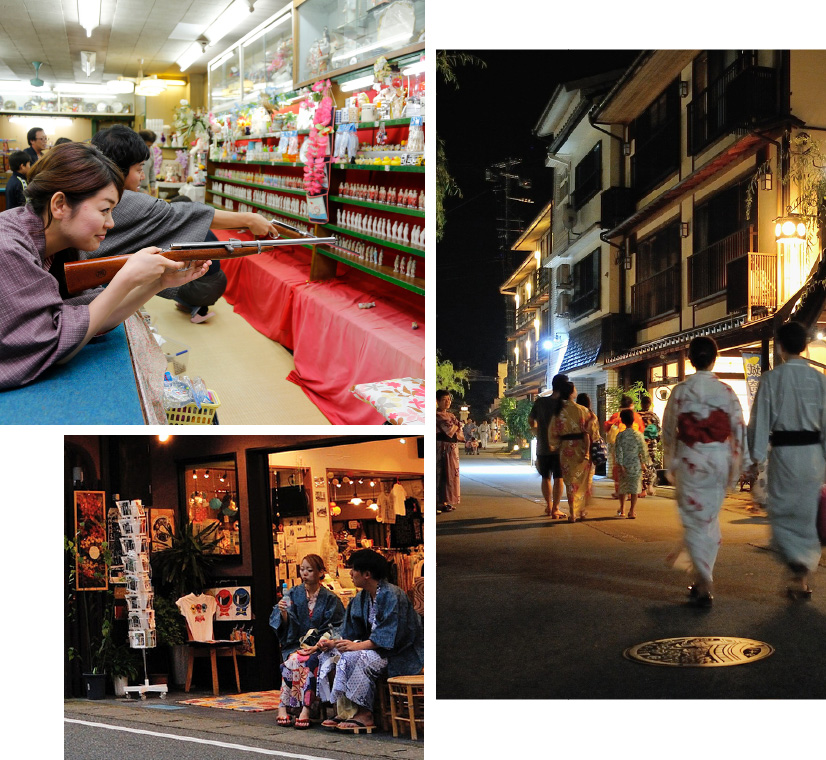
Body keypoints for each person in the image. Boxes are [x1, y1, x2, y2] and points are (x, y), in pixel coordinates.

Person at [0, 141, 210, 390]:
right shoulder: (8, 247)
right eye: (104, 210)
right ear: (59, 205)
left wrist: (158, 283)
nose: (110, 223)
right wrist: (126, 278)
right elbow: (56, 345)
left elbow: (88, 321)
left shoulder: (60, 246)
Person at [86, 125, 239, 323]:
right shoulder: (133, 202)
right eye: (139, 169)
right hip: (205, 285)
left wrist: (157, 283)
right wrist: (250, 220)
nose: (142, 175)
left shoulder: (114, 198)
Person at [663, 336, 746, 607]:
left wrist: (670, 460)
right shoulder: (726, 392)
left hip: (690, 460)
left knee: (693, 520)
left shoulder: (680, 391)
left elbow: (668, 431)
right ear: (715, 358)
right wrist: (736, 468)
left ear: (690, 360)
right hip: (719, 461)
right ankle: (702, 578)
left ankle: (704, 579)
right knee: (708, 519)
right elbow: (738, 429)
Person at [747, 321, 826, 600]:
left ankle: (794, 563)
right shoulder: (819, 379)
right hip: (813, 457)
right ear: (804, 345)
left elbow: (759, 422)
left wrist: (754, 458)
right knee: (806, 516)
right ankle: (801, 577)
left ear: (780, 347)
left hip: (784, 455)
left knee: (781, 511)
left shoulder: (771, 379)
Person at [317, 549, 424, 733]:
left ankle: (365, 713)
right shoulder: (361, 597)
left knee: (356, 657)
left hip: (402, 653)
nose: (350, 574)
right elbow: (350, 632)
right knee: (334, 655)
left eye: (353, 570)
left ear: (367, 574)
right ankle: (346, 711)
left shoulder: (393, 595)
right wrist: (334, 643)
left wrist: (356, 646)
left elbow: (389, 636)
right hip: (375, 650)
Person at [269, 554, 345, 729]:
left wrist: (321, 644)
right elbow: (284, 624)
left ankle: (305, 708)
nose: (305, 573)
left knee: (308, 661)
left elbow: (337, 626)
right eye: (302, 569)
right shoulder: (293, 593)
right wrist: (283, 613)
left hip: (320, 646)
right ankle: (283, 707)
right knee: (292, 660)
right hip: (297, 643)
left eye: (310, 570)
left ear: (320, 572)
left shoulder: (330, 598)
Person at [547, 381, 598, 522]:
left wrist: (555, 445)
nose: (576, 391)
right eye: (574, 389)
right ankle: (580, 511)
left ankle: (572, 513)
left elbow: (553, 431)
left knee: (570, 482)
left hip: (565, 448)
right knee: (582, 481)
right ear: (571, 393)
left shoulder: (558, 411)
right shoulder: (583, 410)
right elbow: (592, 431)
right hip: (582, 448)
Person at [530, 374, 569, 518]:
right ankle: (556, 508)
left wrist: (536, 431)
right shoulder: (564, 404)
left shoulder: (540, 402)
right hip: (560, 448)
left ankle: (549, 506)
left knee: (545, 477)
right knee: (559, 477)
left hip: (542, 446)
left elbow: (531, 420)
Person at [606, 395, 645, 498]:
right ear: (631, 405)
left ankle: (620, 491)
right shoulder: (636, 416)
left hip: (618, 445)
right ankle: (633, 492)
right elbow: (641, 430)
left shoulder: (616, 415)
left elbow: (607, 427)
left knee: (619, 468)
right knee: (633, 469)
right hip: (633, 447)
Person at [614, 408, 648, 520]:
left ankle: (622, 509)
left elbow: (618, 451)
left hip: (624, 463)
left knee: (623, 487)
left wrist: (620, 464)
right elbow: (643, 450)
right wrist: (643, 463)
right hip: (635, 464)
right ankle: (632, 511)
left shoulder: (620, 435)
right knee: (634, 488)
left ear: (622, 421)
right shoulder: (638, 435)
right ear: (633, 420)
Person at [436, 389, 462, 513]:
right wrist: (457, 426)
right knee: (441, 474)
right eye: (444, 400)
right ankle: (439, 502)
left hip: (452, 448)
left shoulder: (451, 415)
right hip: (441, 447)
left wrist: (456, 427)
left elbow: (458, 430)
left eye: (449, 399)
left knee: (451, 475)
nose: (447, 402)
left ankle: (447, 501)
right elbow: (450, 430)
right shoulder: (437, 415)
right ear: (437, 401)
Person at [577, 392, 600, 498]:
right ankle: (586, 497)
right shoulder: (592, 416)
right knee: (588, 475)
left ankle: (581, 498)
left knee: (579, 476)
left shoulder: (576, 414)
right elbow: (595, 434)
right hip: (591, 448)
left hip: (577, 447)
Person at [638, 395, 662, 496]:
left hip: (641, 443)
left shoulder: (637, 416)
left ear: (641, 403)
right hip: (652, 444)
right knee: (651, 464)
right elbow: (658, 431)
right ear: (649, 404)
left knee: (641, 465)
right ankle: (650, 486)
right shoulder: (654, 416)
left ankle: (642, 489)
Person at [137, 129, 158, 197]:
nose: (149, 148)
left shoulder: (150, 151)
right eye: (148, 145)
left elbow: (151, 169)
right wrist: (140, 190)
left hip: (145, 188)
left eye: (150, 146)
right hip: (135, 189)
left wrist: (152, 185)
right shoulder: (134, 153)